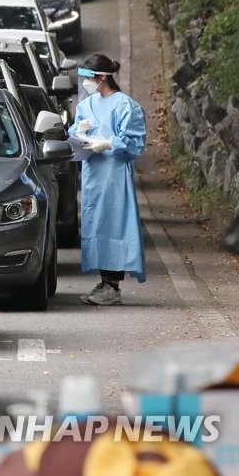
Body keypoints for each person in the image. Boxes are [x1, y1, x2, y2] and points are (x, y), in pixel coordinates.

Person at [71, 54, 147, 305]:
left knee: (114, 224)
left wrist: (108, 143)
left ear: (102, 77)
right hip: (93, 174)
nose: (84, 84)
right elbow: (75, 134)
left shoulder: (126, 105)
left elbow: (133, 144)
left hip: (114, 174)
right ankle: (105, 280)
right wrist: (79, 135)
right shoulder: (87, 104)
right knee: (96, 225)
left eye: (88, 79)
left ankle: (113, 284)